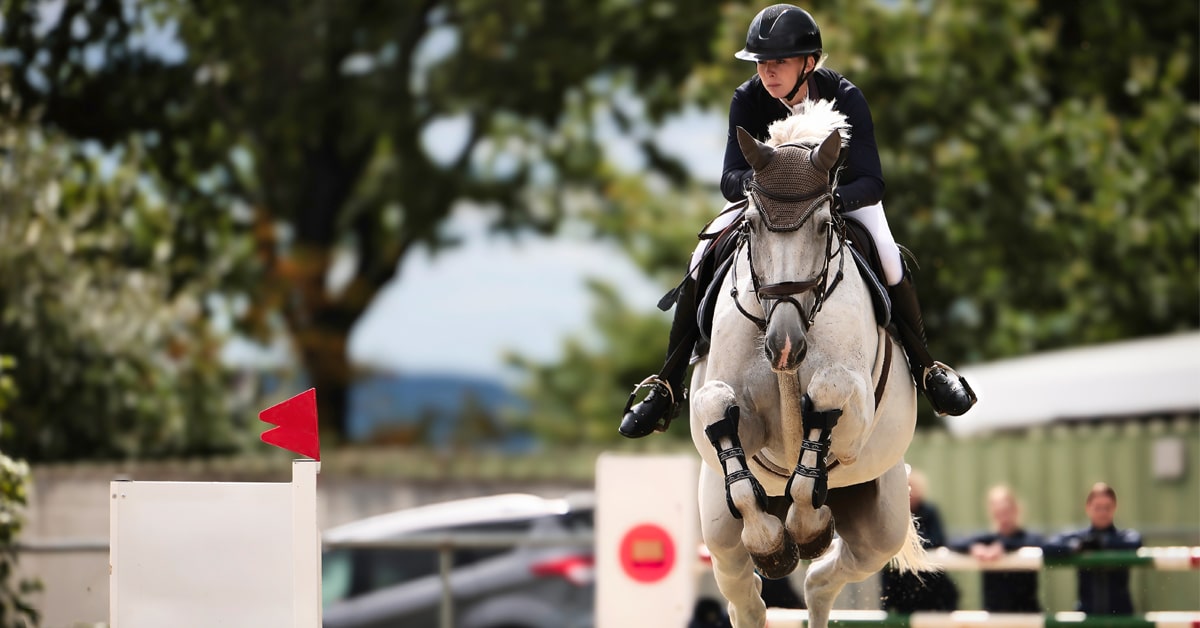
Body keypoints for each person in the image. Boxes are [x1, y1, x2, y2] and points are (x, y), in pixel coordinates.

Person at [619, 4, 976, 439]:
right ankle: (667, 385)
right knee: (702, 252)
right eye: (762, 63)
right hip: (768, 204)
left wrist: (822, 198)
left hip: (836, 203)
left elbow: (872, 180)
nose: (768, 73)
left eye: (779, 63)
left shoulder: (845, 97)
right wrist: (777, 186)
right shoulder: (746, 99)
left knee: (887, 253)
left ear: (809, 62)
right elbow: (730, 178)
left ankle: (926, 370)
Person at [1043, 482, 1142, 615]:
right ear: (1088, 507)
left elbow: (1136, 542)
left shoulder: (1124, 537)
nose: (1103, 513)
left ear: (1115, 507)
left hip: (1120, 615)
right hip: (1087, 615)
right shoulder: (1080, 538)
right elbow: (1048, 546)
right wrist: (1075, 547)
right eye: (1098, 508)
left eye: (1107, 507)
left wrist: (1098, 544)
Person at [948, 485, 1043, 612]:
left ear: (1016, 509)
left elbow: (1040, 544)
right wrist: (974, 548)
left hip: (1025, 614)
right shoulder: (987, 540)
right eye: (998, 512)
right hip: (995, 615)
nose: (1003, 517)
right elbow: (954, 542)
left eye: (1006, 511)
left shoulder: (1028, 538)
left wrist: (1003, 548)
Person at [880, 468, 959, 612]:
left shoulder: (929, 511)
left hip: (930, 584)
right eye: (906, 488)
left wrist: (909, 547)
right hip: (901, 585)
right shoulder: (891, 512)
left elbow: (937, 539)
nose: (910, 494)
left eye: (912, 488)